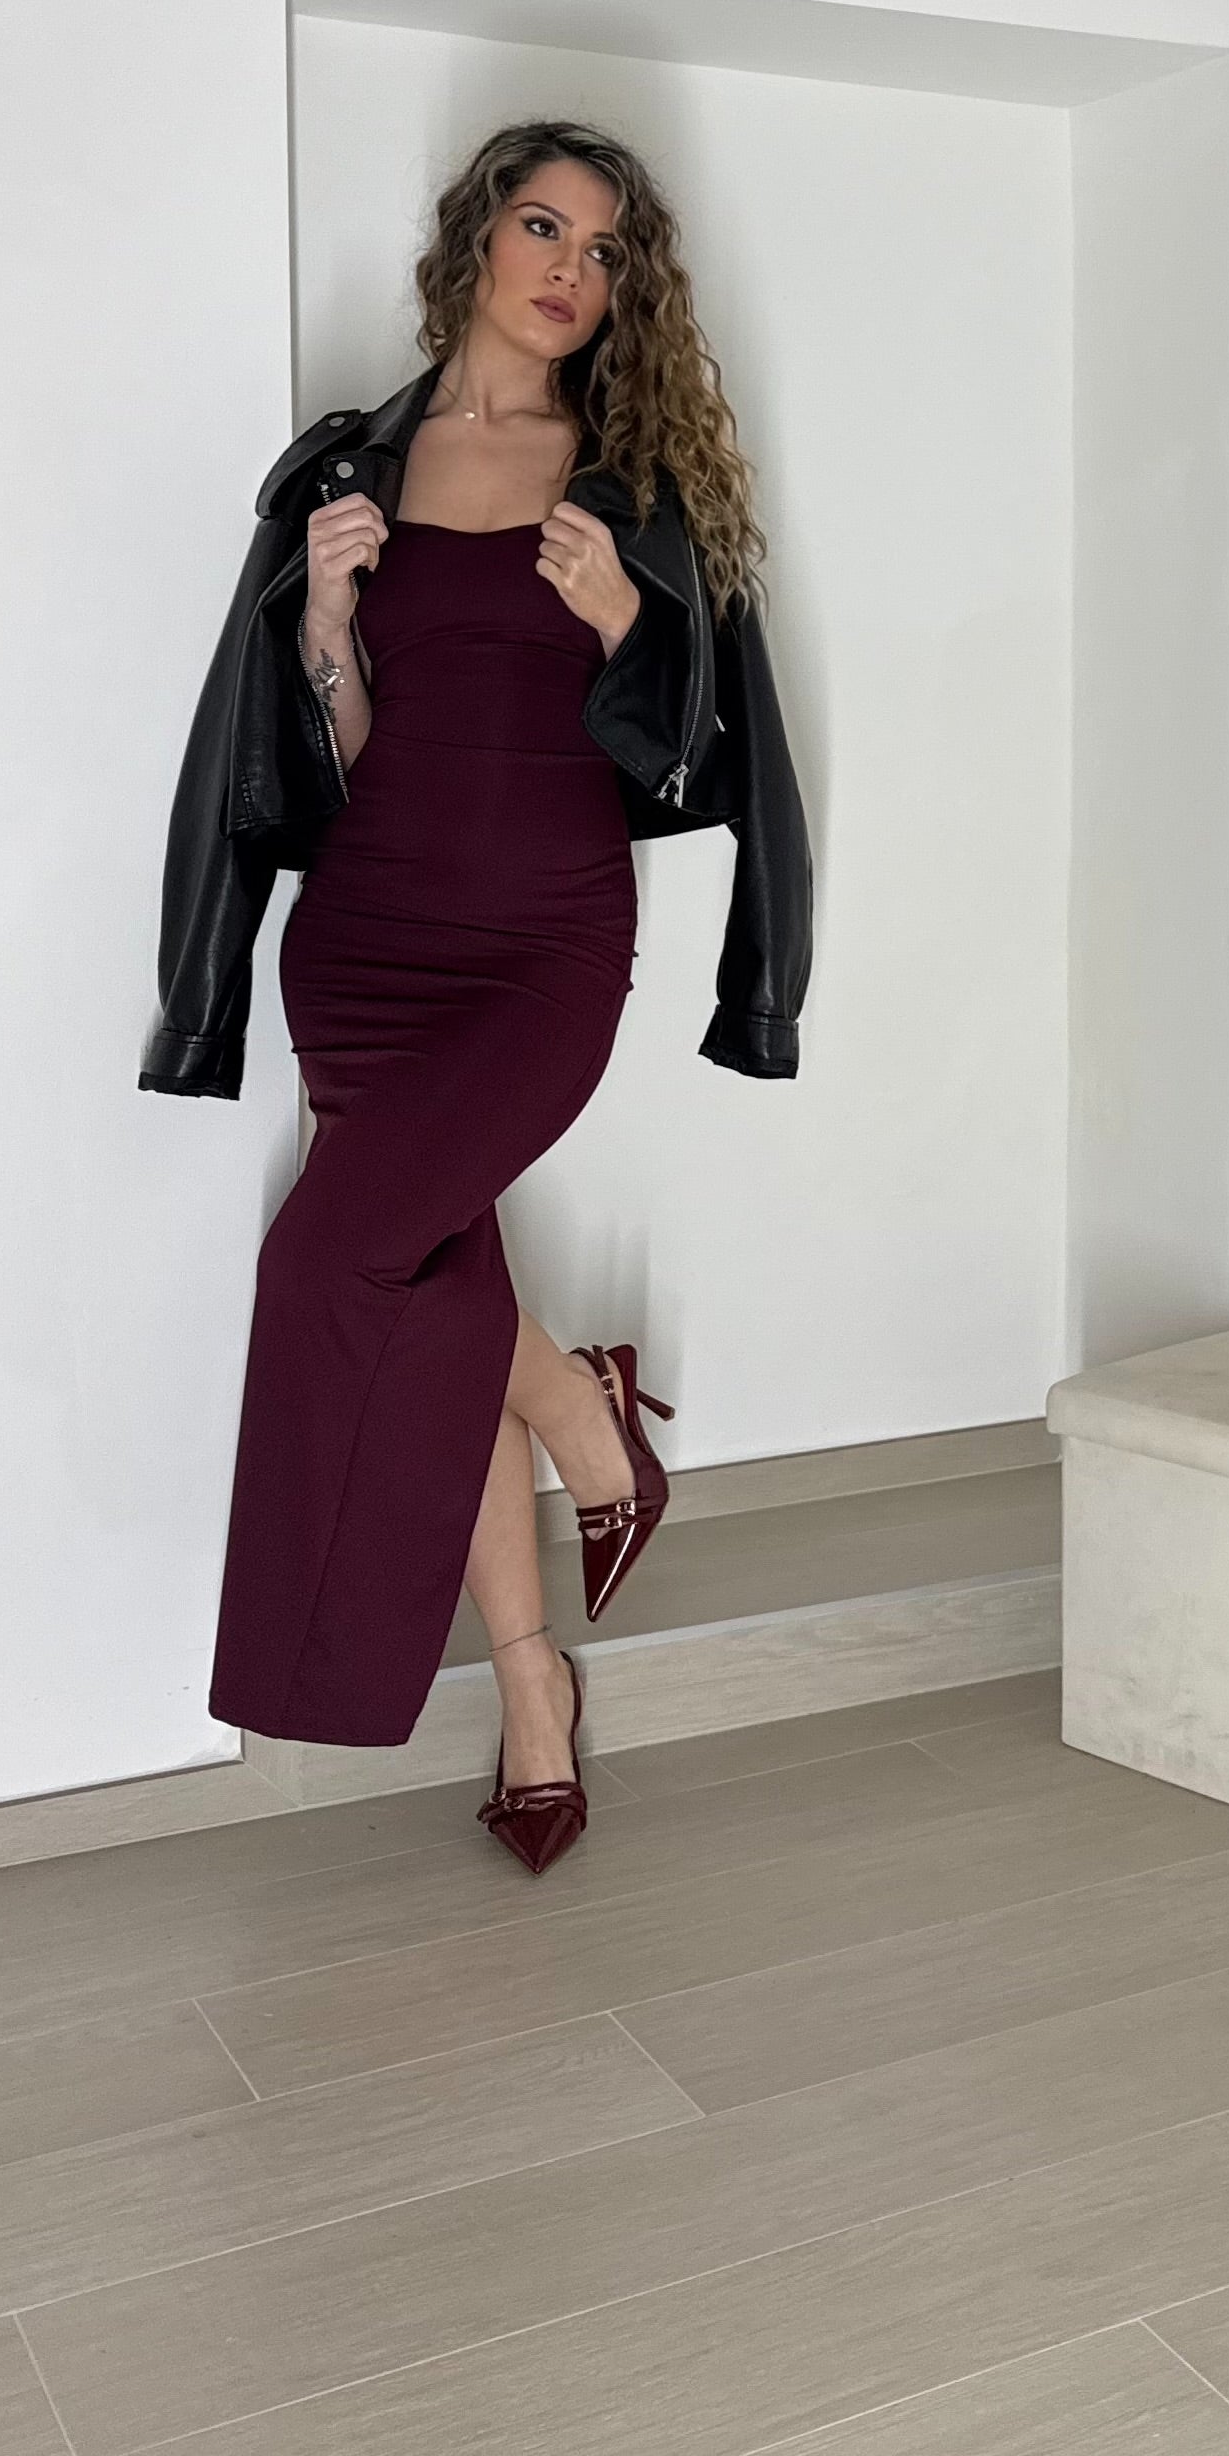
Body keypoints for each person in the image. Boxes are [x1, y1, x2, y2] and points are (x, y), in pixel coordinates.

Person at [139, 117, 812, 1875]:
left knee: (326, 1265)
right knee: (424, 1295)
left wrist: (622, 631)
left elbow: (701, 750)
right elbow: (332, 749)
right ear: (473, 240)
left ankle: (579, 1425)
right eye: (541, 226)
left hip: (543, 942)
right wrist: (324, 627)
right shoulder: (349, 465)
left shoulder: (636, 484)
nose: (570, 270)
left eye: (603, 250)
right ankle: (534, 1678)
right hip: (364, 939)